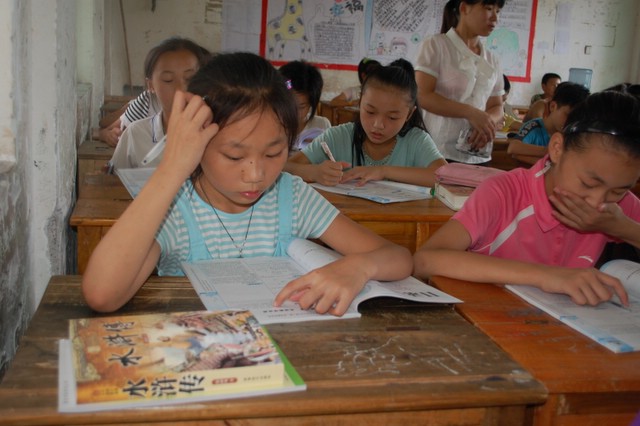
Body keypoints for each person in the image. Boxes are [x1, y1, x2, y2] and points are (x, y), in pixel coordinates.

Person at [82, 52, 413, 315]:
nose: (255, 174)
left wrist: (357, 266)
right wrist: (172, 168)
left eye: (273, 153)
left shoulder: (290, 195)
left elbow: (398, 257)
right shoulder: (175, 208)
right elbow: (102, 294)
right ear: (197, 144)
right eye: (234, 156)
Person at [414, 90, 640, 307]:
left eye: (618, 191)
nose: (598, 202)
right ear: (557, 148)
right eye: (588, 184)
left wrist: (622, 228)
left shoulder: (615, 209)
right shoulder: (505, 193)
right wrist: (547, 276)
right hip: (491, 321)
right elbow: (425, 260)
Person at [285, 58, 446, 187]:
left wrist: (383, 171)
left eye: (392, 117)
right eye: (370, 112)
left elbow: (445, 178)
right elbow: (285, 167)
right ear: (359, 103)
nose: (378, 125)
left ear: (409, 114)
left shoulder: (416, 141)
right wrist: (314, 172)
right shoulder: (338, 137)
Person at [415, 0, 505, 164]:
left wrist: (487, 122)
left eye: (498, 11)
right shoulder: (436, 45)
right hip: (436, 152)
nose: (495, 18)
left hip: (477, 156)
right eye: (489, 8)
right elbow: (422, 95)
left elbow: (497, 106)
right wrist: (470, 113)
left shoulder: (493, 60)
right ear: (464, 8)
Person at [109, 37, 210, 170]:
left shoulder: (216, 133)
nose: (181, 89)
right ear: (151, 85)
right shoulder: (135, 134)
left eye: (190, 78)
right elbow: (114, 180)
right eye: (168, 80)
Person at [507, 82, 589, 165]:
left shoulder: (571, 133)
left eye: (575, 119)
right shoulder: (534, 126)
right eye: (568, 115)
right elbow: (513, 147)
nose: (570, 122)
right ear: (553, 106)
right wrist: (552, 151)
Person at [278, 60, 331, 152]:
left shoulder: (321, 125)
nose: (293, 113)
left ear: (311, 104)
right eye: (288, 104)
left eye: (301, 107)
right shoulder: (270, 125)